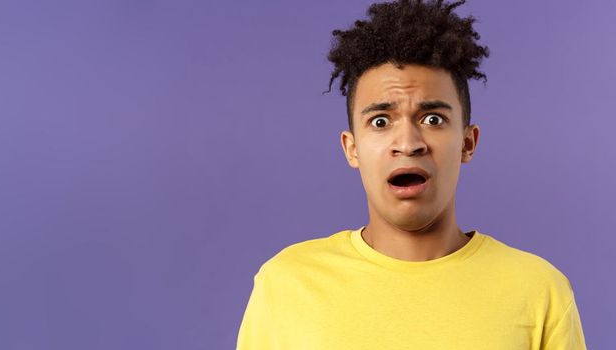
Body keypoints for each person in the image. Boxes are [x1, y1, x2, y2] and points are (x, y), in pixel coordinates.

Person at [235, 0, 587, 348]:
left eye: (433, 119)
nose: (408, 143)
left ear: (467, 142)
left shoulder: (539, 291)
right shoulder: (286, 285)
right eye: (380, 121)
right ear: (352, 148)